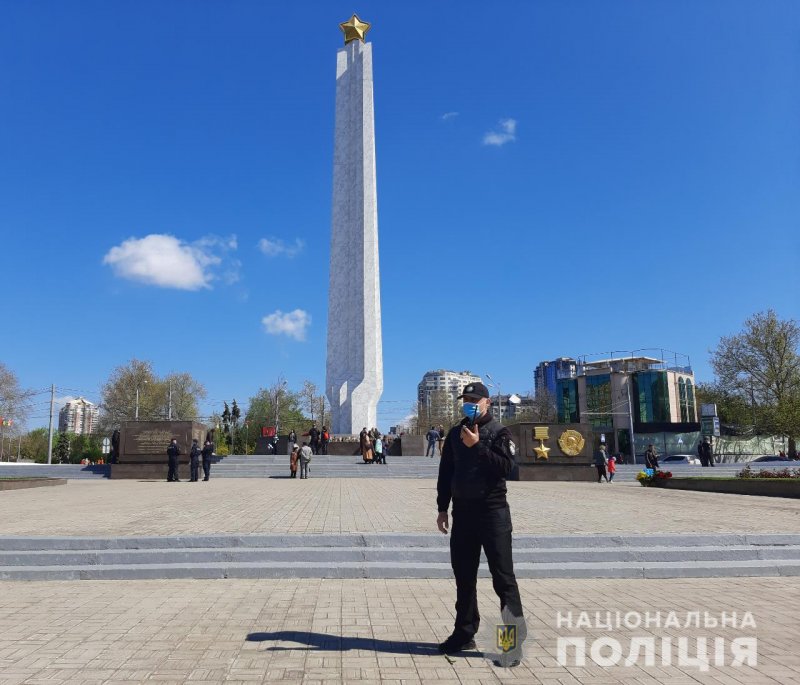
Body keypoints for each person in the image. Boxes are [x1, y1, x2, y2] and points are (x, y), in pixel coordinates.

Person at [436, 381, 525, 662]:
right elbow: (446, 472)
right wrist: (442, 508)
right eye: (466, 399)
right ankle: (464, 633)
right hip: (462, 514)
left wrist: (477, 448)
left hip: (493, 513)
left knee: (503, 579)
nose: (470, 403)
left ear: (487, 402)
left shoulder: (500, 432)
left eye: (475, 399)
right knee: (464, 577)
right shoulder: (454, 434)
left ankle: (510, 644)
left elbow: (509, 470)